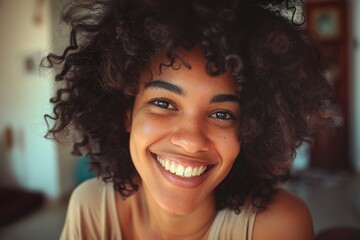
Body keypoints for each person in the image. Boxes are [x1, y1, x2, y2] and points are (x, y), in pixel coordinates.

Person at [45, 0, 331, 239]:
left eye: (221, 114)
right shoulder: (91, 209)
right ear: (128, 114)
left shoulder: (277, 226)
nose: (191, 141)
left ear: (250, 129)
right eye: (163, 103)